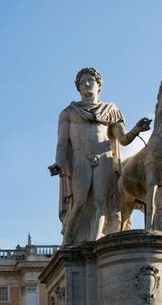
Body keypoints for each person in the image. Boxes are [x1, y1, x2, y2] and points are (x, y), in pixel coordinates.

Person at [50, 67, 150, 244]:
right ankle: (67, 241)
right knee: (79, 201)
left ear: (99, 86)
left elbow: (123, 139)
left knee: (101, 201)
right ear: (78, 88)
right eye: (83, 82)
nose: (87, 84)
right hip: (81, 157)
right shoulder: (69, 112)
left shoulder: (110, 110)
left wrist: (136, 129)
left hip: (104, 157)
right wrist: (58, 163)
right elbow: (62, 142)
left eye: (91, 81)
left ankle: (97, 241)